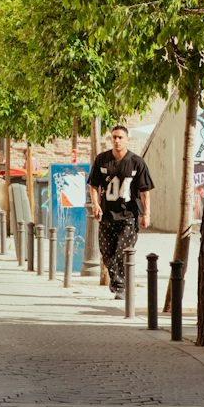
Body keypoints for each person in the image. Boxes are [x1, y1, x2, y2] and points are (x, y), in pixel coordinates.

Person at [87, 124, 154, 297]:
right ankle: (117, 281)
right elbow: (93, 185)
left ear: (127, 139)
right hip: (107, 215)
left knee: (121, 252)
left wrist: (146, 214)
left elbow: (145, 191)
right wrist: (95, 204)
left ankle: (120, 286)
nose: (116, 141)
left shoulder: (137, 162)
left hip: (128, 216)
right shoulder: (102, 159)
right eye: (114, 137)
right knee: (107, 253)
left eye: (120, 137)